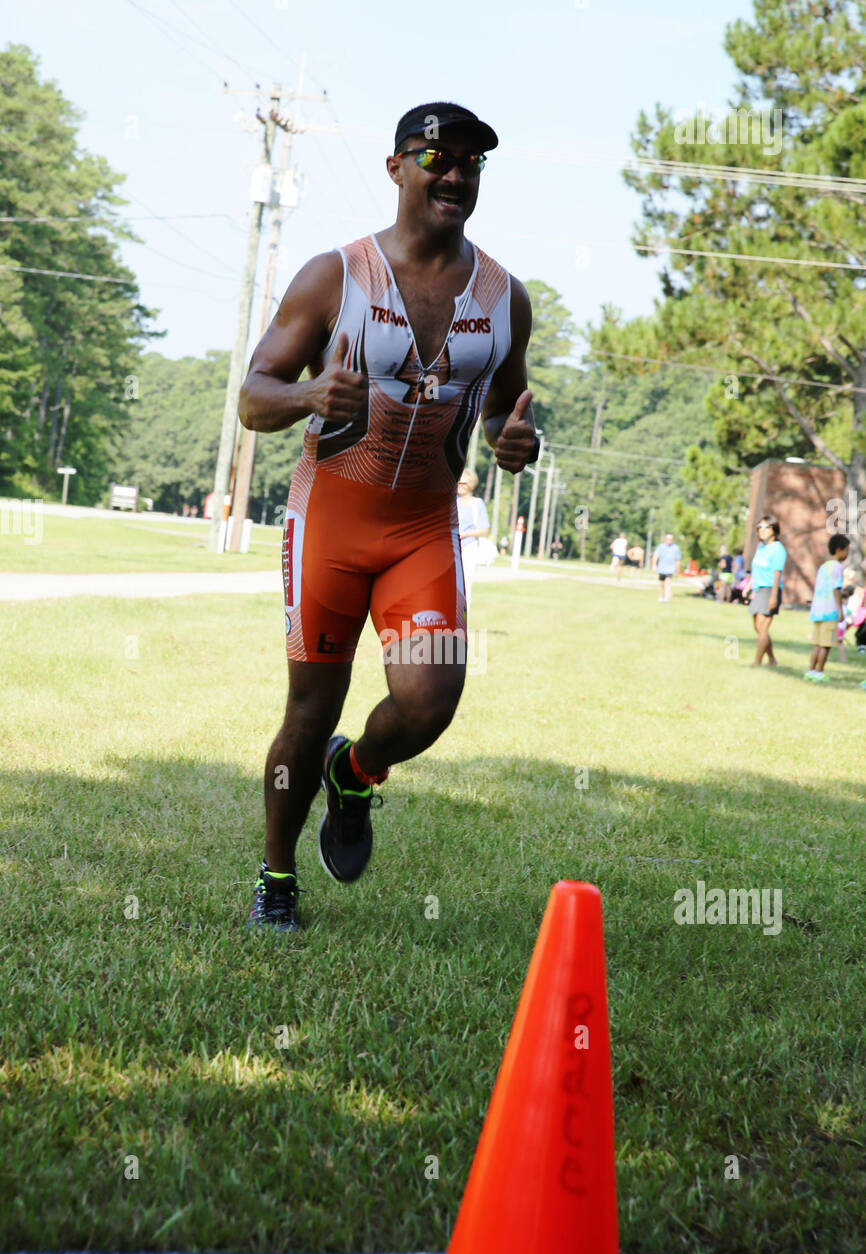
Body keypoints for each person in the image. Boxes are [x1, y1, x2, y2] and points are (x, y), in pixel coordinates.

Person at [237, 102, 539, 931]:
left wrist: (515, 443)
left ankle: (355, 776)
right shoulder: (334, 276)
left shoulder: (505, 295)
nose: (455, 175)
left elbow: (506, 408)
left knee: (430, 700)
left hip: (422, 528)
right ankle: (276, 877)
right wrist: (306, 393)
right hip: (331, 517)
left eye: (471, 163)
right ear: (396, 166)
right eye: (436, 157)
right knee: (310, 710)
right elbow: (253, 395)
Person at [805, 533, 849, 682]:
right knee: (826, 645)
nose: (847, 554)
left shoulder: (824, 566)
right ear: (839, 549)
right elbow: (836, 589)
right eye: (847, 550)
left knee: (817, 644)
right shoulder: (838, 567)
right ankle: (819, 672)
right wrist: (840, 610)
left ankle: (810, 671)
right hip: (830, 611)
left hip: (818, 610)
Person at [749, 514, 786, 667]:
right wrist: (749, 586)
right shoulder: (761, 547)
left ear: (774, 529)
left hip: (770, 589)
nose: (762, 530)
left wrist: (773, 597)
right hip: (759, 589)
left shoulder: (778, 549)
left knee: (763, 628)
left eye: (766, 527)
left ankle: (757, 663)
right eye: (759, 527)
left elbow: (776, 574)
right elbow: (756, 569)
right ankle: (772, 659)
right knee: (758, 627)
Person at [456, 466, 490, 612]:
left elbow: (484, 530)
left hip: (468, 548)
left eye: (464, 483)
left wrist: (465, 535)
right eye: (459, 483)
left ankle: (462, 619)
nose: (460, 486)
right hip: (449, 547)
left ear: (471, 485)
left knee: (465, 585)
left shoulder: (477, 504)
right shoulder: (451, 501)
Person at [652, 532, 681, 602]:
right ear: (665, 539)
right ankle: (660, 597)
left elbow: (678, 560)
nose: (669, 540)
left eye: (670, 539)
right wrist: (654, 565)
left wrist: (677, 570)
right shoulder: (661, 546)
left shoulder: (676, 548)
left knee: (668, 583)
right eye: (668, 539)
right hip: (661, 568)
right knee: (661, 584)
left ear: (673, 539)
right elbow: (655, 556)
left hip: (670, 569)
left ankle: (666, 598)